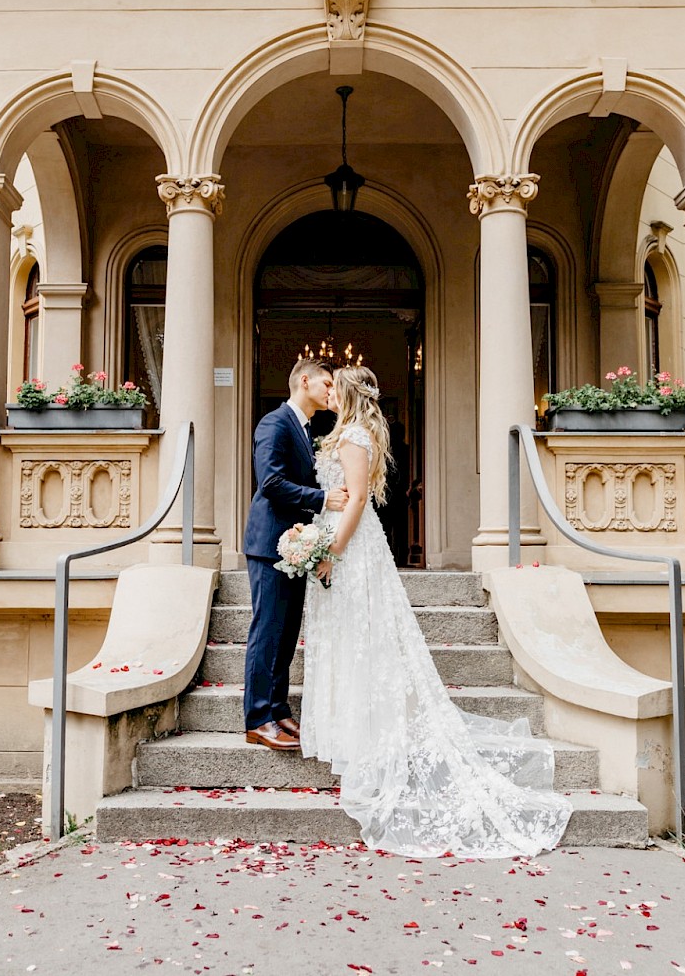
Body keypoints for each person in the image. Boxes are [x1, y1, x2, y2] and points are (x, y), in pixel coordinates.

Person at [300, 364, 572, 858]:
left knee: (363, 637)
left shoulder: (355, 435)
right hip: (338, 538)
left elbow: (358, 498)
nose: (330, 392)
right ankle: (351, 727)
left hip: (351, 547)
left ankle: (365, 734)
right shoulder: (346, 433)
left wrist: (332, 550)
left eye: (335, 386)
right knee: (349, 636)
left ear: (348, 393)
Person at [242, 357, 348, 751]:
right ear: (304, 381)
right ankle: (257, 719)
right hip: (269, 542)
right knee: (267, 631)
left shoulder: (305, 428)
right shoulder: (274, 423)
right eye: (326, 383)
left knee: (286, 633)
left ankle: (279, 708)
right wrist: (322, 498)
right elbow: (270, 482)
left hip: (294, 544)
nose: (330, 391)